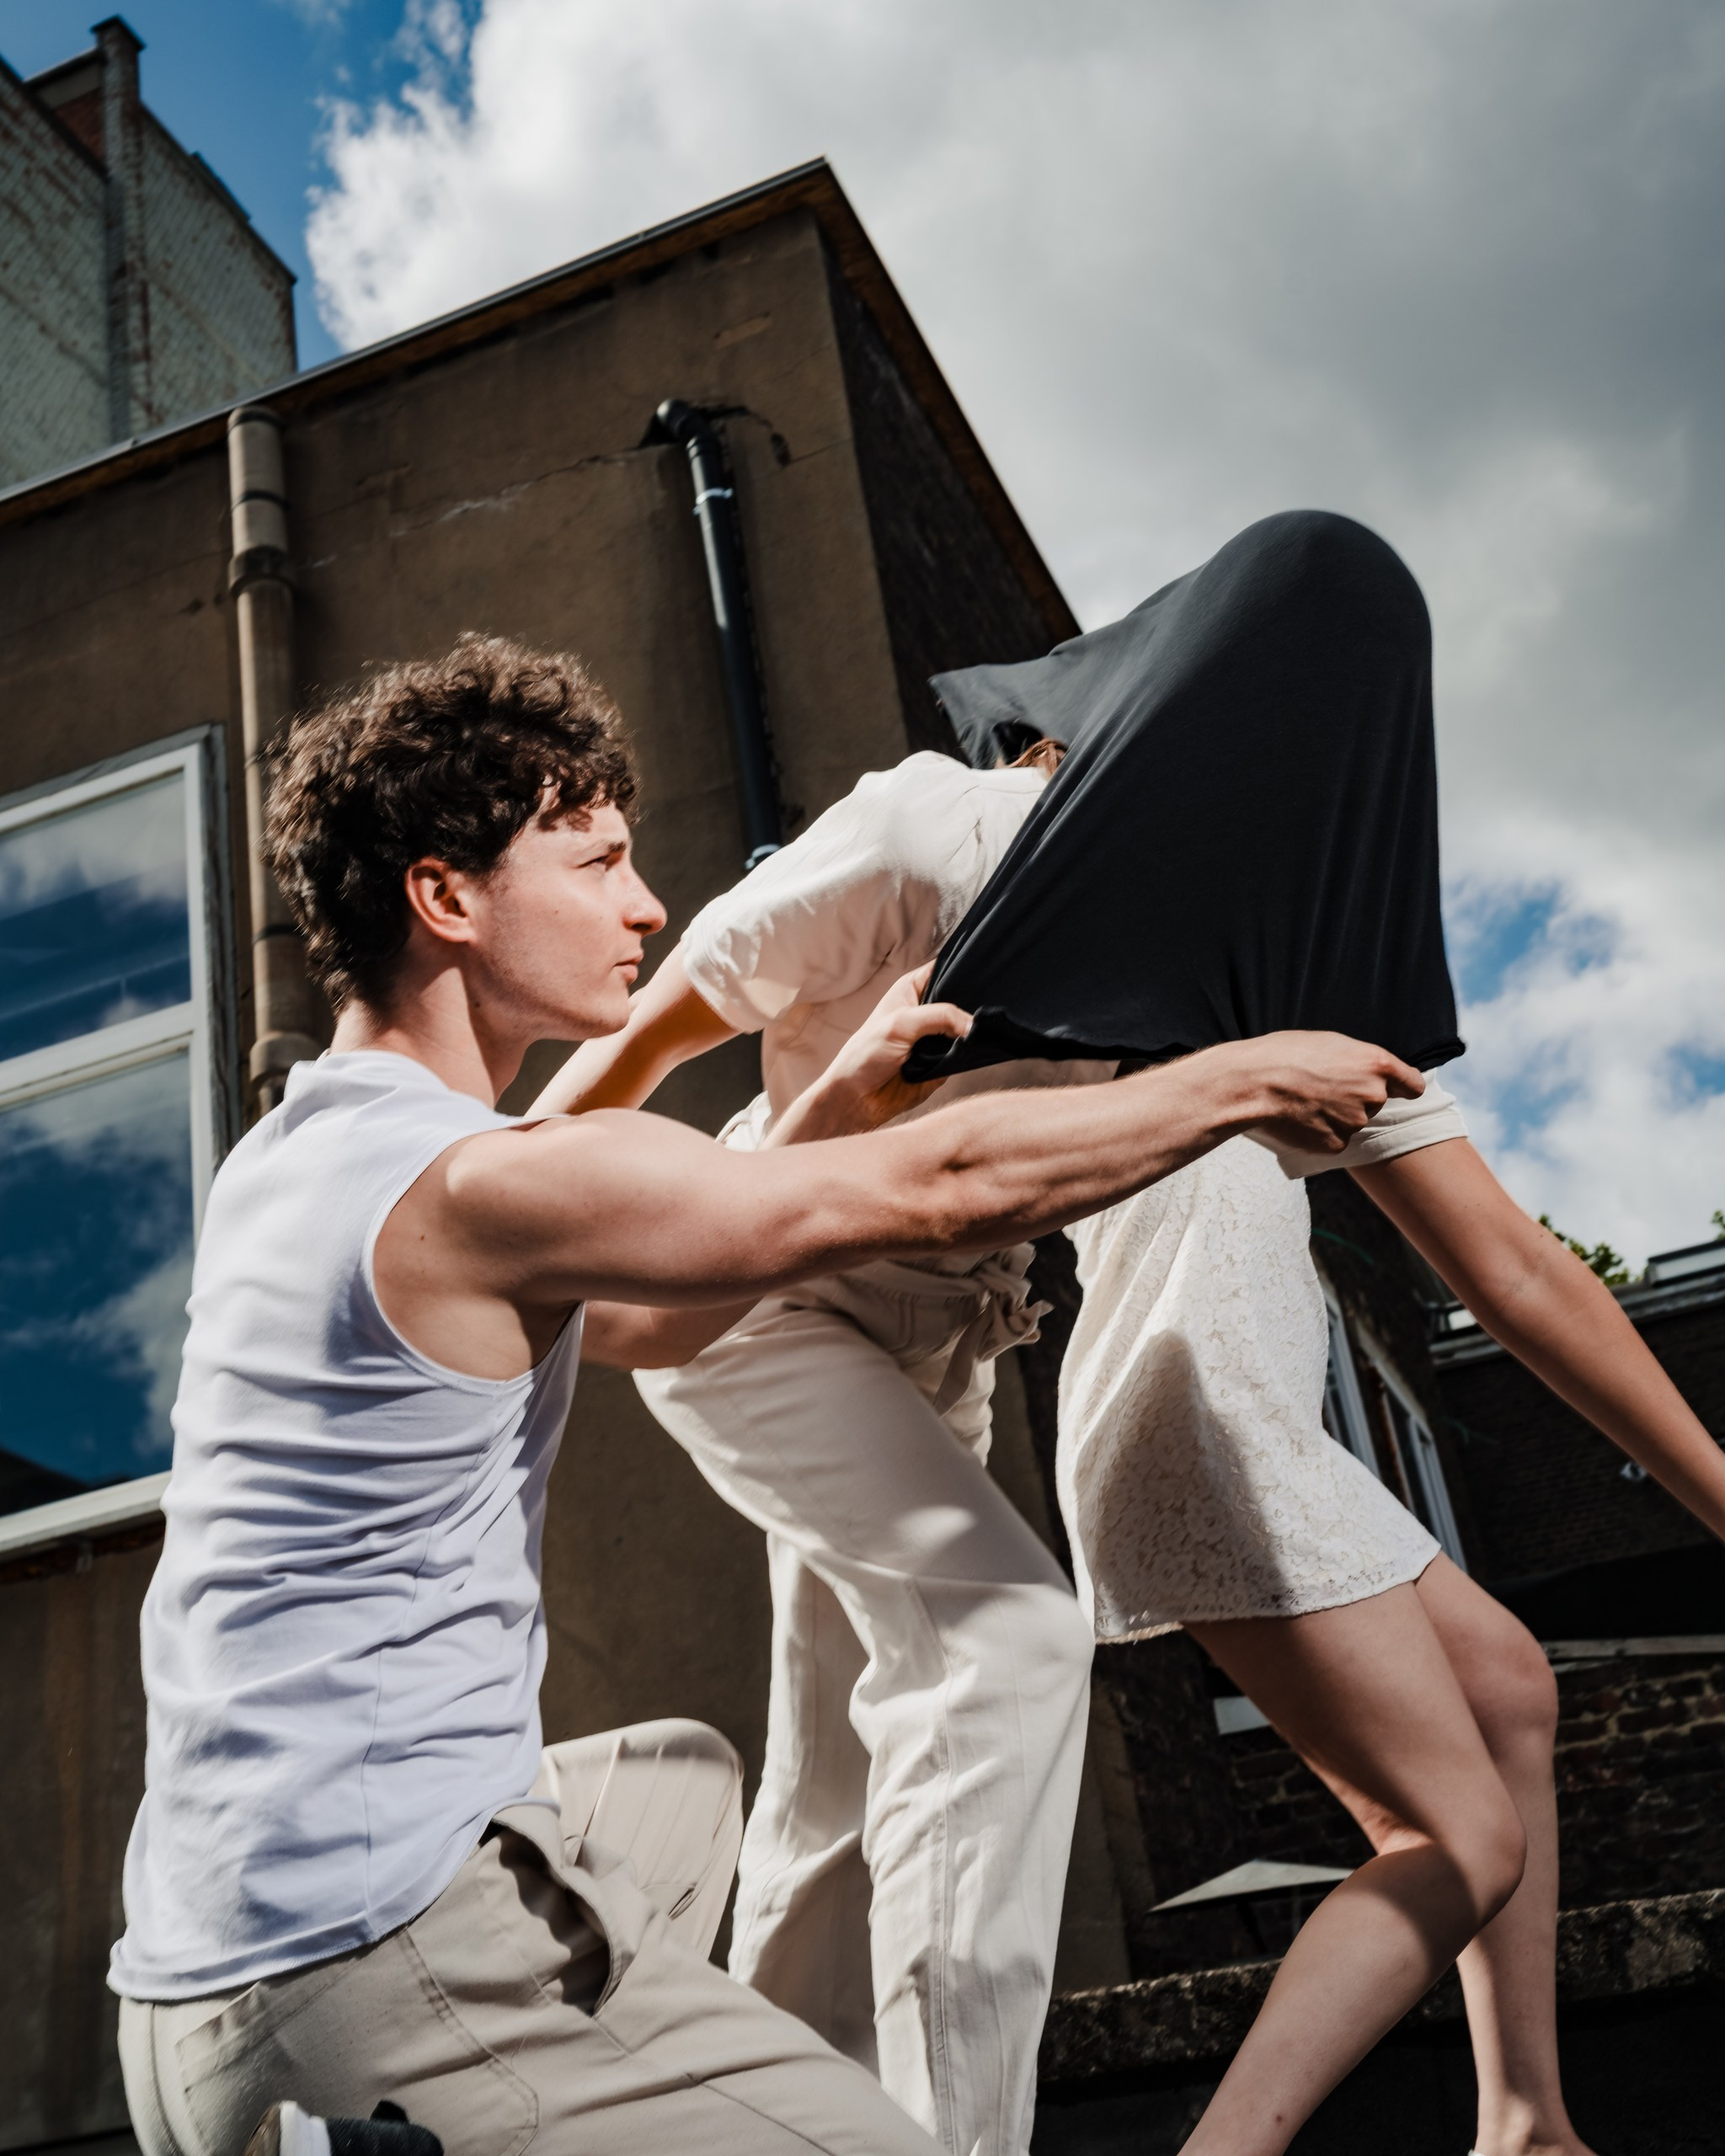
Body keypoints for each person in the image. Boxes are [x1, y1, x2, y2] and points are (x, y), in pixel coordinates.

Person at [109, 632, 1416, 2156]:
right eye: (596, 863)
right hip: (375, 1954)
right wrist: (1241, 1078)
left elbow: (645, 1328)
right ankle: (399, 2121)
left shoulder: (291, 1159)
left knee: (683, 1788)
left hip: (194, 1970)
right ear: (447, 899)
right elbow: (946, 1185)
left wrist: (833, 1102)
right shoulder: (477, 1179)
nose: (646, 906)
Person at [905, 510, 1725, 2156]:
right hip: (1198, 1424)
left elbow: (1521, 1274)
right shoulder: (1071, 946)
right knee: (1457, 1833)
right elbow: (1514, 1279)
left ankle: (1526, 2115)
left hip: (1234, 1425)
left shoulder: (1283, 981)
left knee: (1509, 1686)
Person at [531, 742, 1111, 2156]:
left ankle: (768, 2127)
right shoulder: (921, 837)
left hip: (947, 1334)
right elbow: (650, 1037)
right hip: (761, 1293)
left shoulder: (1215, 956)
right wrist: (501, 1227)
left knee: (843, 1784)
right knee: (1003, 1638)